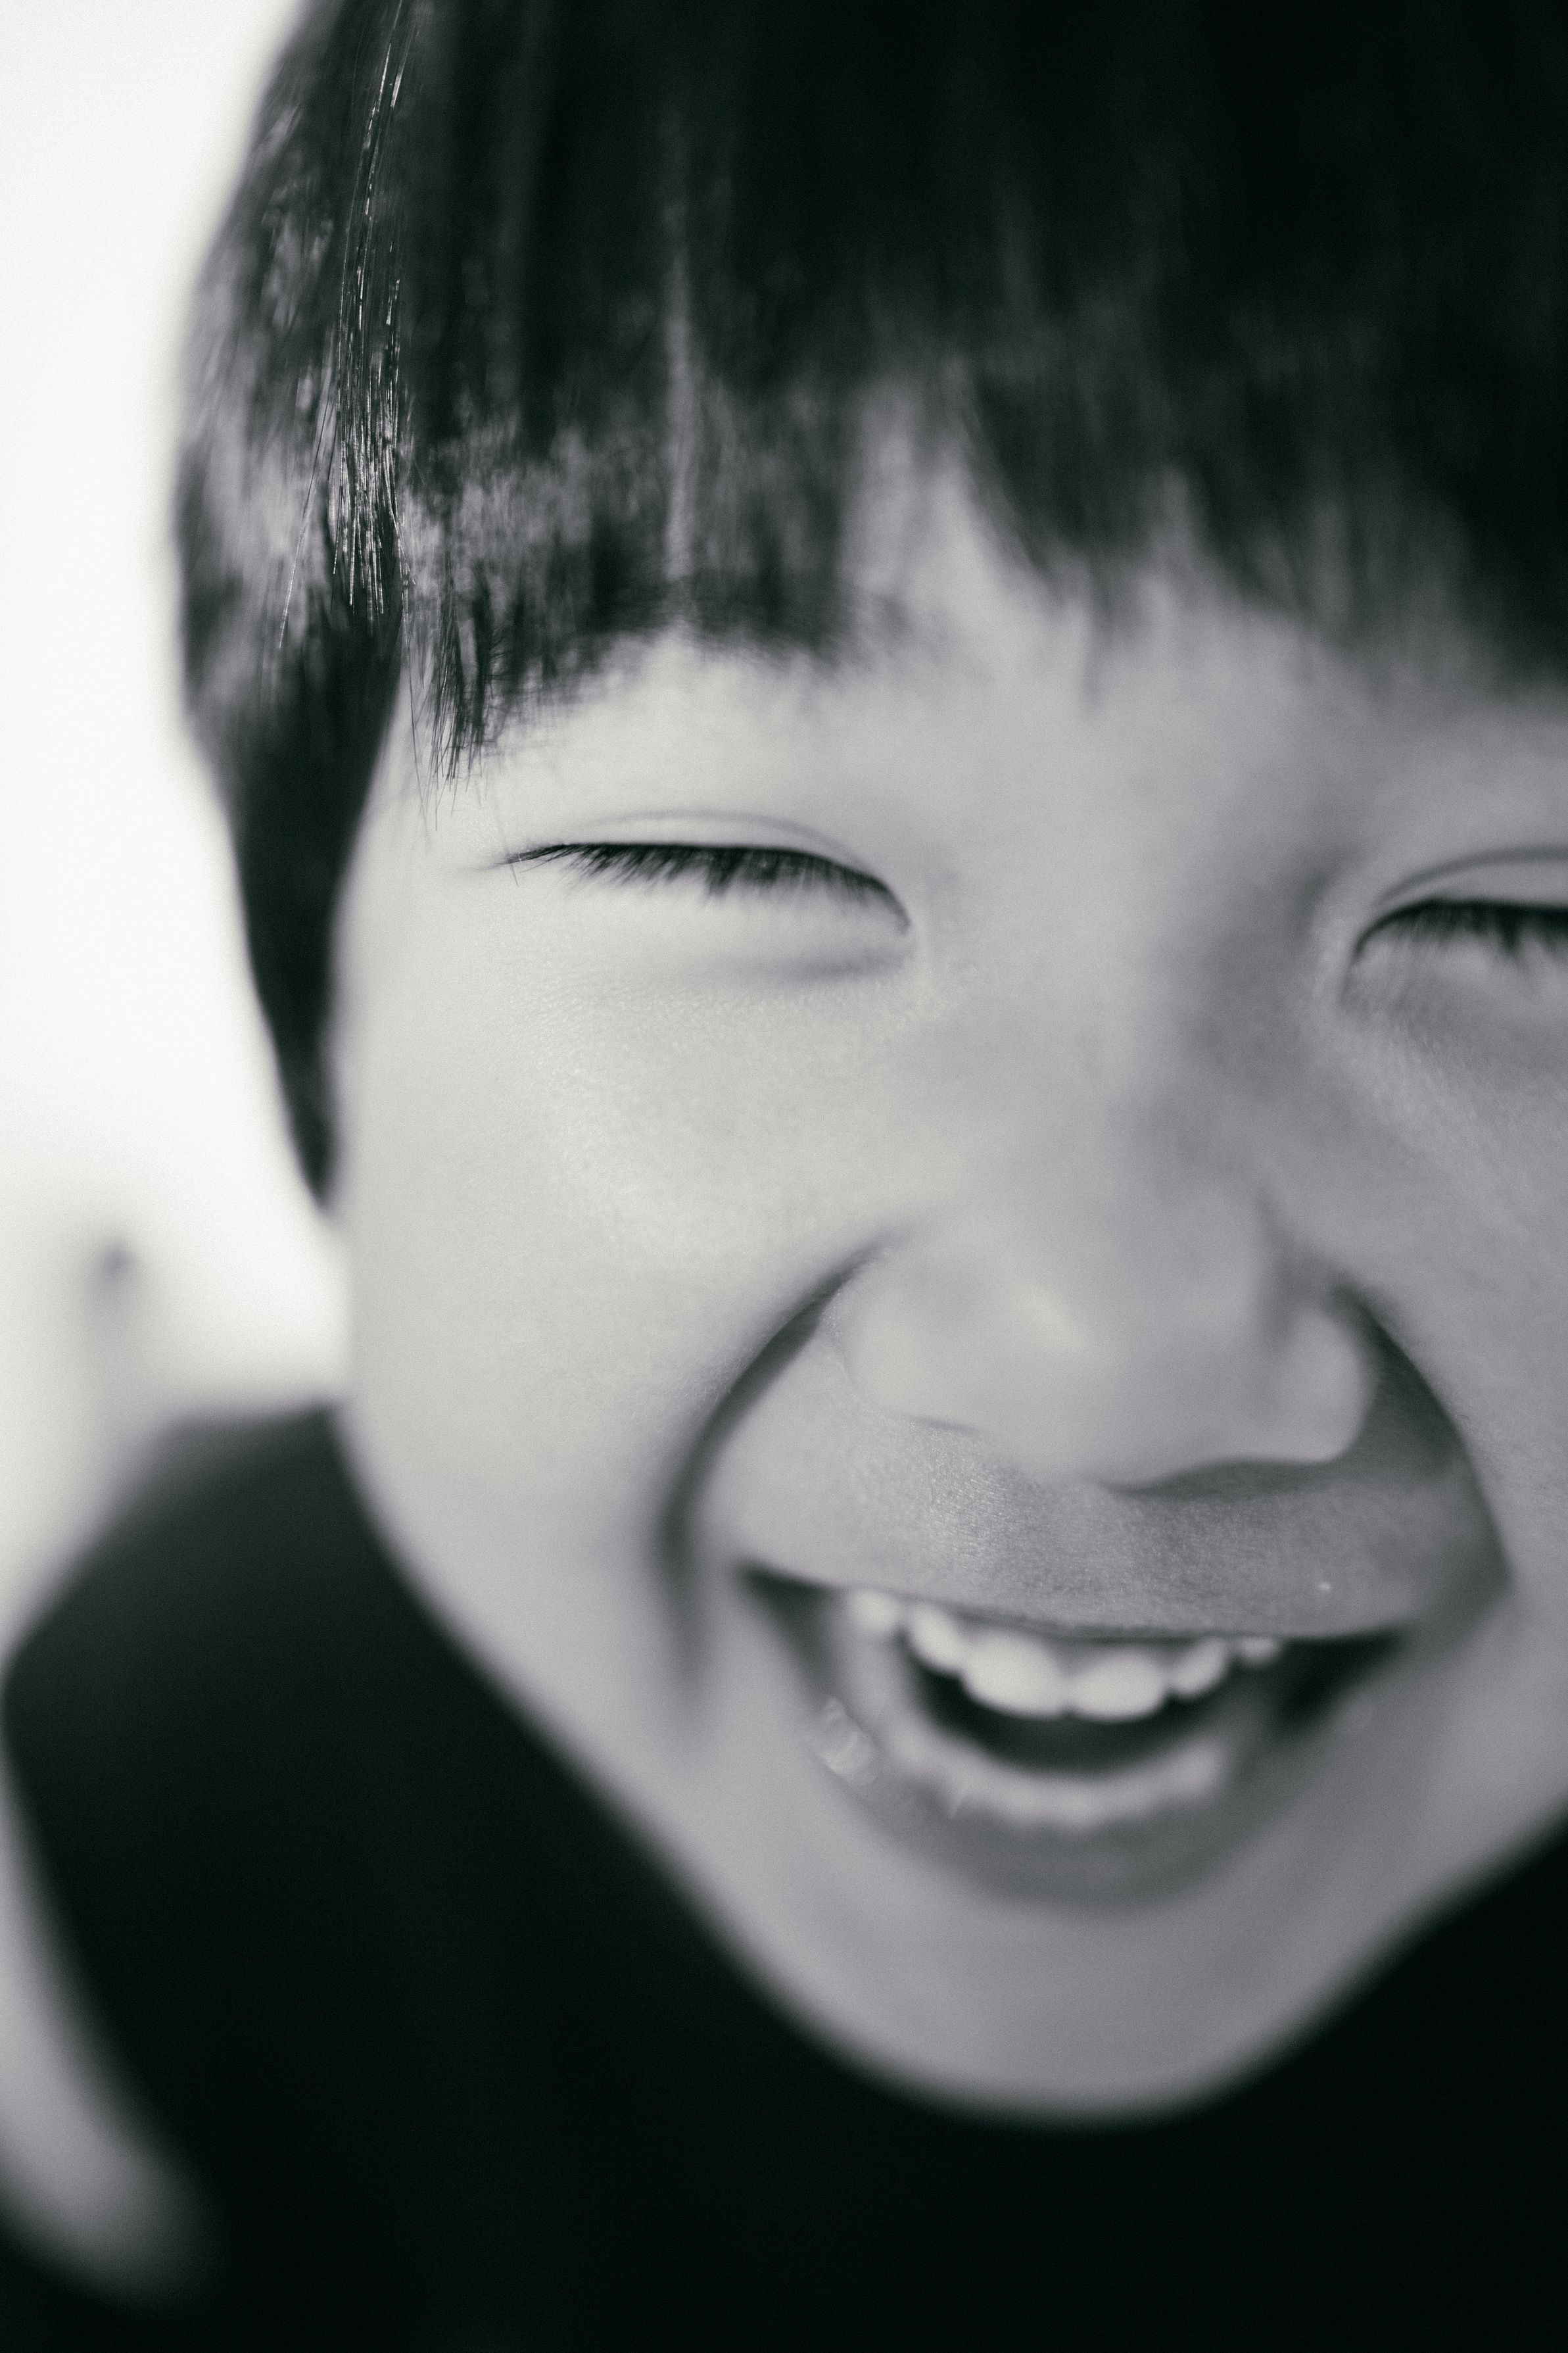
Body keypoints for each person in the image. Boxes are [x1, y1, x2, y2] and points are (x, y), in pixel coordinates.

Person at [7, 0, 1568, 2340]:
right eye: (735, 864)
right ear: (322, 1024)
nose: (1106, 1364)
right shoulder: (167, 1830)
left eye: (1524, 917)